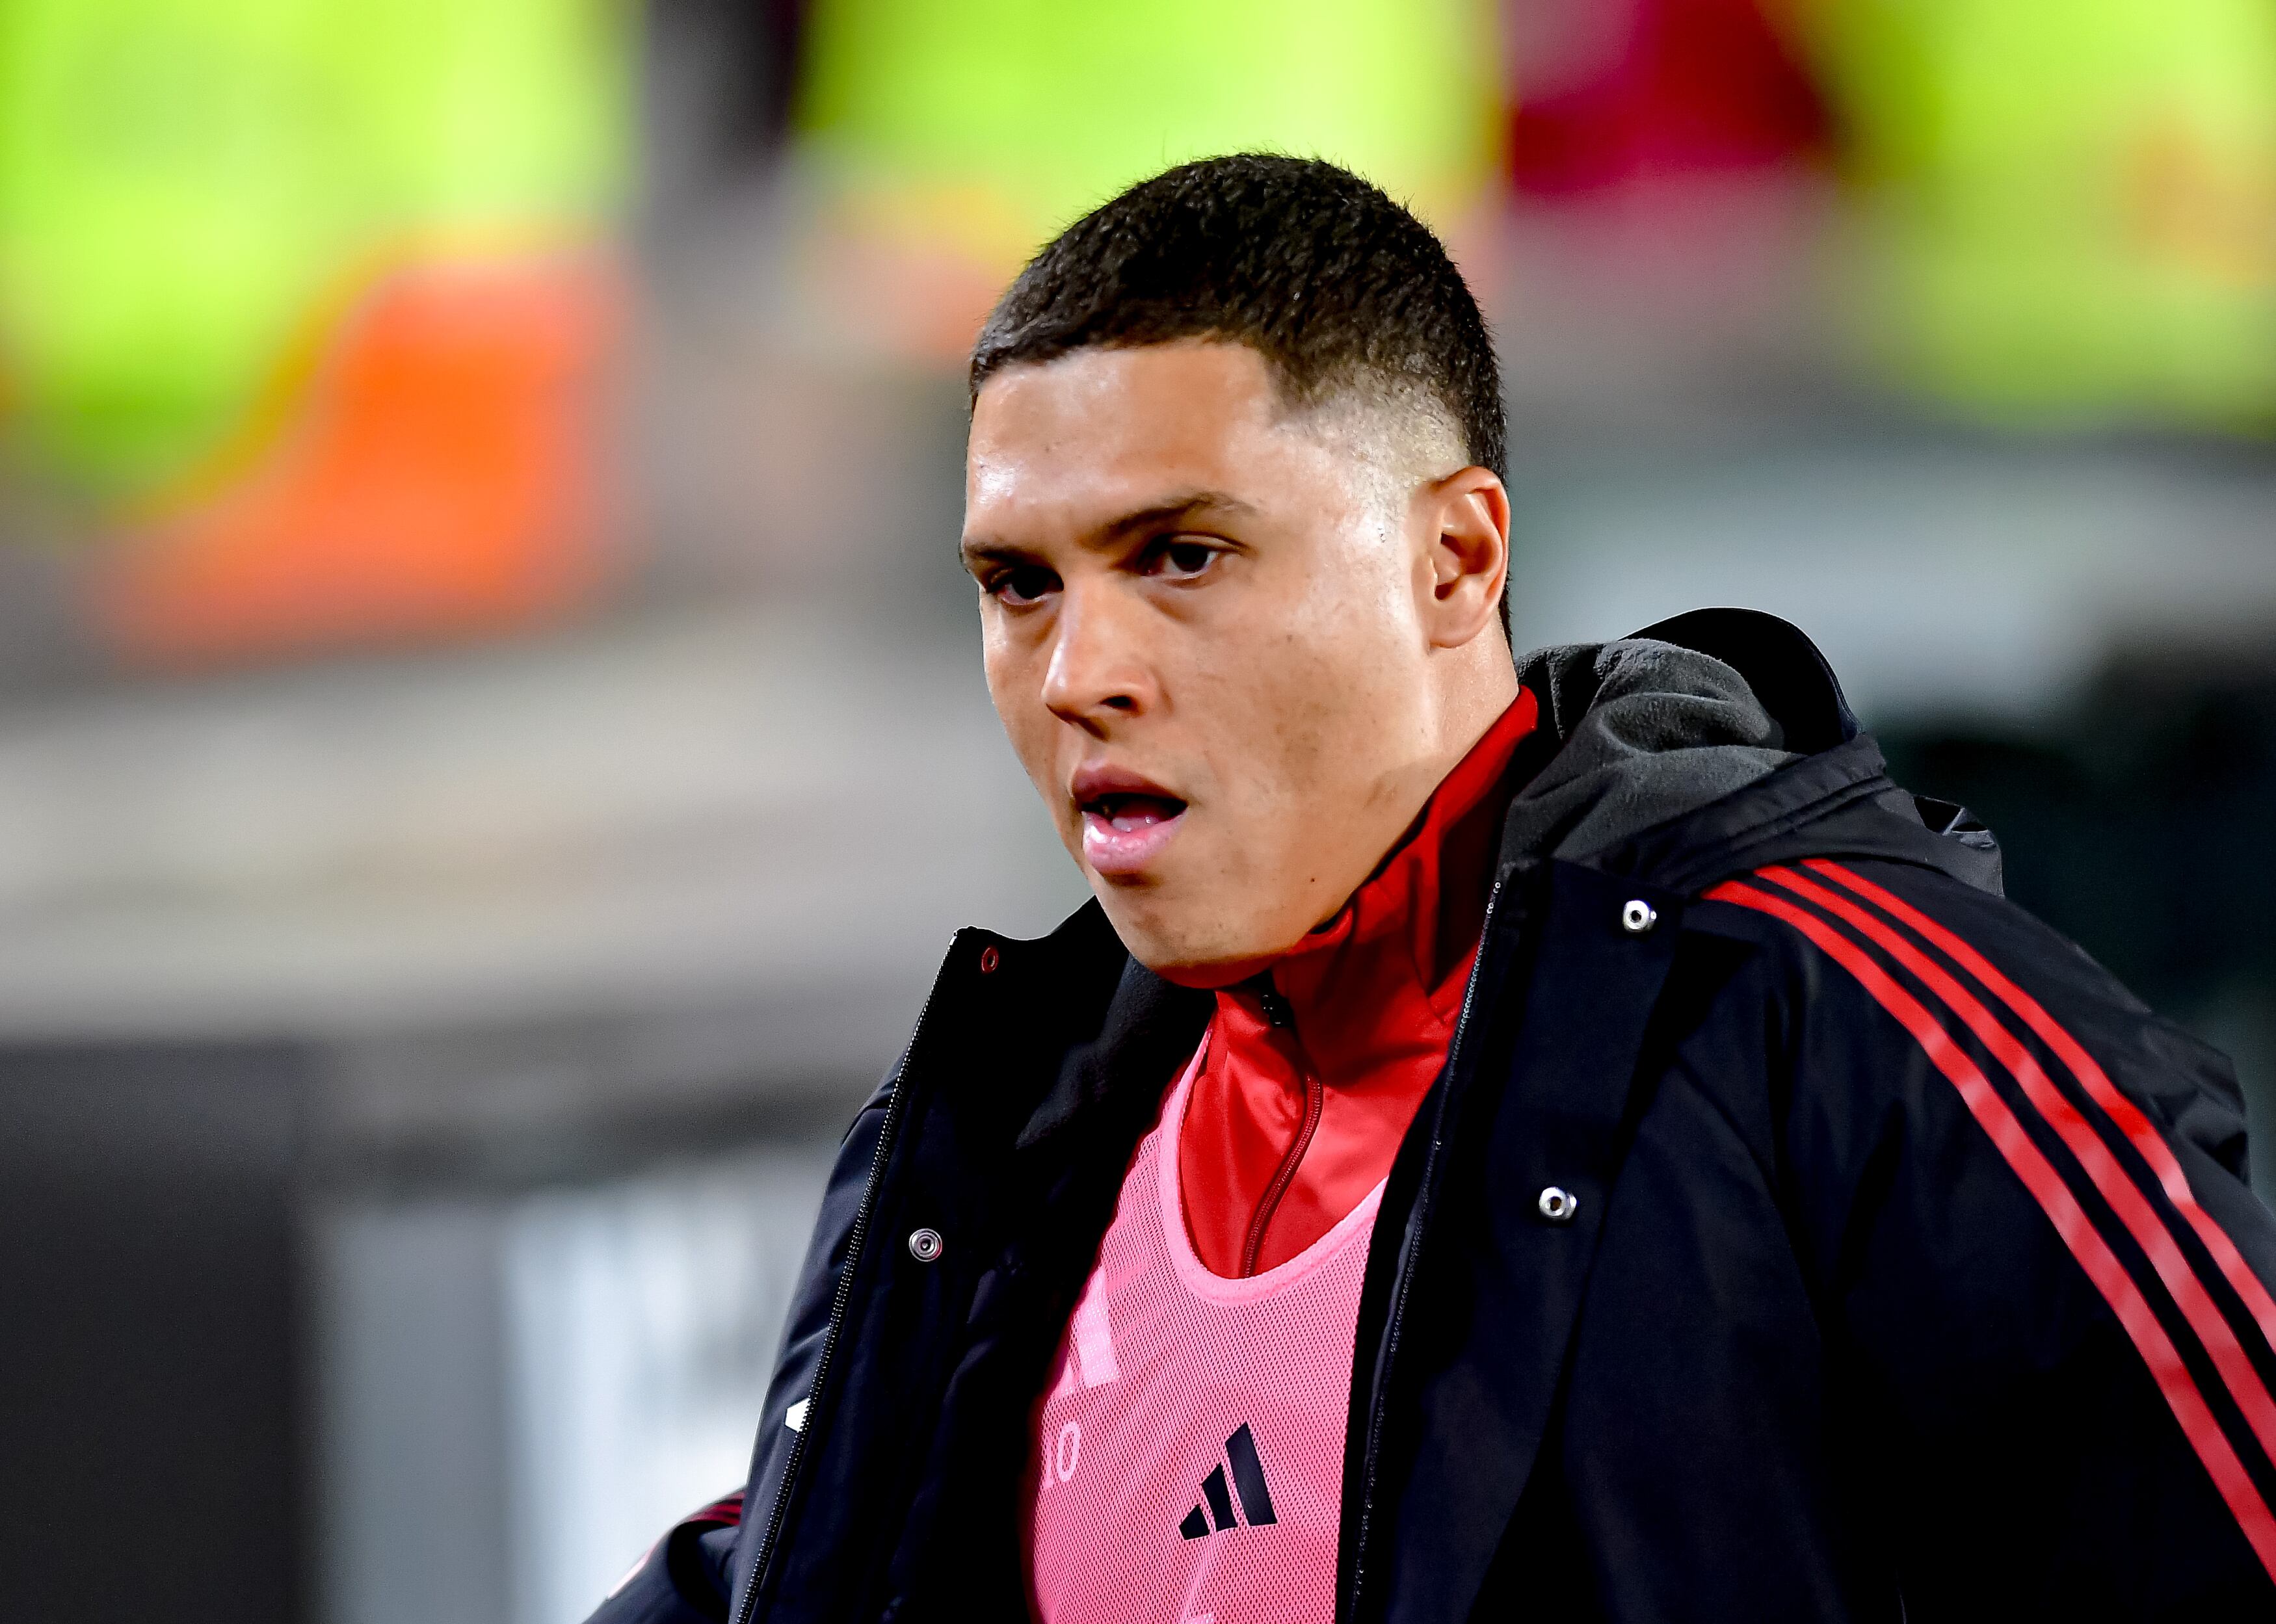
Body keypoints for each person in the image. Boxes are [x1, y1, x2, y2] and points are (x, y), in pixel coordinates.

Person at [590, 155, 2276, 1624]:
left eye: (1182, 555)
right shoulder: (986, 1135)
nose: (1079, 669)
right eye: (1019, 583)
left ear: (1455, 560)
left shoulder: (1834, 1017)